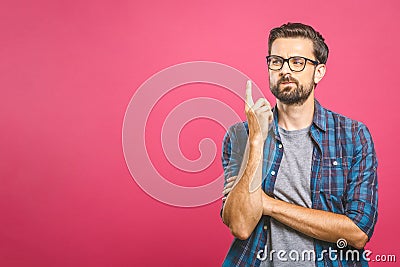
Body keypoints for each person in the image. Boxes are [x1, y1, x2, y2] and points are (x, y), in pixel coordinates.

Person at [220, 22, 378, 267]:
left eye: (297, 62)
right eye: (277, 61)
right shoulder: (240, 136)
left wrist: (268, 204)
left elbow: (357, 233)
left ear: (319, 72)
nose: (285, 70)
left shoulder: (353, 136)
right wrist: (256, 140)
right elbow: (240, 225)